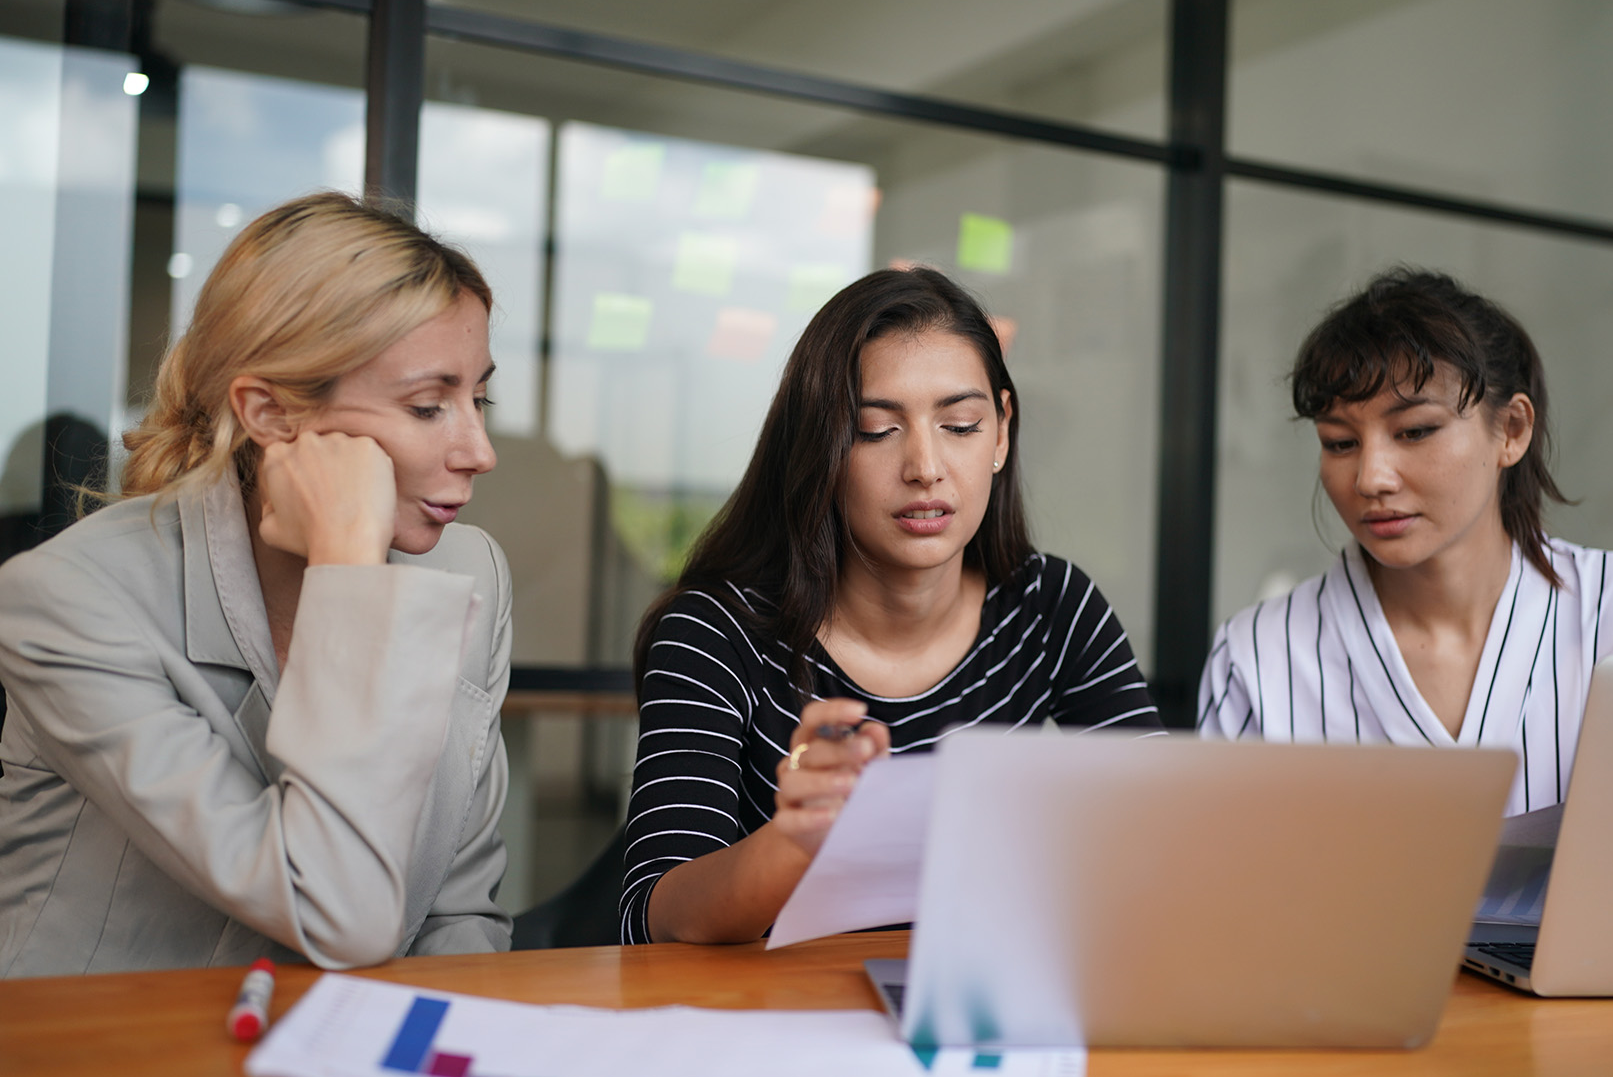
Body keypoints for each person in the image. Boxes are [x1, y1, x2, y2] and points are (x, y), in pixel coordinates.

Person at [0, 192, 514, 976]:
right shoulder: (69, 601)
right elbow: (334, 913)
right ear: (270, 414)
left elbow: (459, 908)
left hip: (351, 1061)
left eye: (478, 398)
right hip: (106, 1069)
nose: (478, 450)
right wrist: (351, 568)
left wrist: (440, 1067)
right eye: (426, 405)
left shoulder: (469, 568)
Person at [621, 267, 1163, 945]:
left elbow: (1162, 838)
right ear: (820, 448)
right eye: (878, 430)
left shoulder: (1051, 607)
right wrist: (798, 840)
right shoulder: (717, 632)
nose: (925, 466)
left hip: (978, 1013)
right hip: (775, 1025)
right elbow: (654, 916)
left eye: (960, 424)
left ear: (1000, 433)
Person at [1198, 268, 1613, 816]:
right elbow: (1231, 890)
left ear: (1513, 430)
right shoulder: (1259, 655)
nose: (1371, 478)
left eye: (1415, 431)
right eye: (1339, 442)